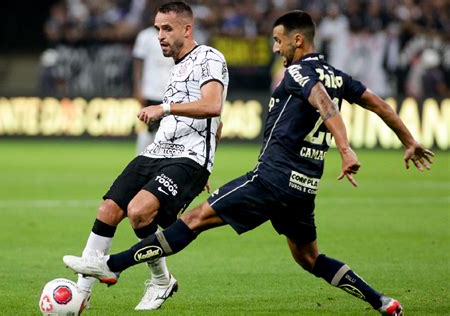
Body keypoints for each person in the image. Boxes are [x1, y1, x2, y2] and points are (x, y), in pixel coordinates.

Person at [64, 10, 434, 315]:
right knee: (310, 259)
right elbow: (380, 104)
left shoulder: (299, 72)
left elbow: (323, 103)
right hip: (303, 189)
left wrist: (346, 147)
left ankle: (110, 265)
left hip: (269, 180)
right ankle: (381, 301)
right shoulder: (337, 75)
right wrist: (409, 140)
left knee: (192, 220)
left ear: (298, 41)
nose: (276, 48)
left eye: (278, 40)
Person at [68, 1, 229, 311]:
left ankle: (158, 281)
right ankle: (80, 294)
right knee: (108, 210)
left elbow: (213, 107)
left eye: (167, 28)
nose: (160, 36)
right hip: (157, 151)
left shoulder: (209, 57)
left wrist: (164, 109)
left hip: (188, 157)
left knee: (140, 212)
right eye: (157, 29)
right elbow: (217, 126)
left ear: (187, 28)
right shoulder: (178, 66)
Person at [132, 23, 174, 155]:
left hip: (171, 91)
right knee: (149, 127)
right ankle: (141, 157)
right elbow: (138, 64)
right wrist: (138, 88)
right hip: (151, 90)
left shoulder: (175, 34)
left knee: (170, 129)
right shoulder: (145, 36)